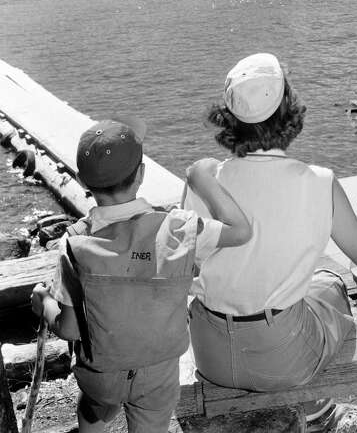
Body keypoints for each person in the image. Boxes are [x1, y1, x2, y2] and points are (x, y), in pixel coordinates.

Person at [185, 52, 357, 413]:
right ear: (289, 111)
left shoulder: (206, 181)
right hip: (281, 361)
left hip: (208, 352)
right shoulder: (319, 183)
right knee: (331, 286)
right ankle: (317, 409)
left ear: (229, 119)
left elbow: (198, 267)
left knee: (310, 286)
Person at [31, 117, 252, 433]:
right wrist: (204, 180)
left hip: (100, 376)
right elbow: (241, 230)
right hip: (158, 373)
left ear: (81, 182)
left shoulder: (74, 243)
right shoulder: (179, 229)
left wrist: (43, 303)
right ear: (142, 174)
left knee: (93, 407)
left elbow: (68, 328)